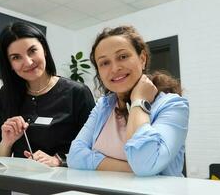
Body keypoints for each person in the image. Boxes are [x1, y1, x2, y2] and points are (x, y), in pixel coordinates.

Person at [67, 25, 189, 176]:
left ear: (142, 59)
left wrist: (139, 101)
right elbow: (75, 156)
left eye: (123, 57)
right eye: (105, 63)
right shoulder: (103, 106)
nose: (114, 68)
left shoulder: (173, 105)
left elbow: (145, 164)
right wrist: (132, 169)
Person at [0, 22, 95, 167]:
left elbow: (95, 148)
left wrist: (59, 160)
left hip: (64, 183)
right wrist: (6, 143)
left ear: (44, 49)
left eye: (32, 51)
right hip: (19, 182)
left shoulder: (77, 92)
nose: (28, 62)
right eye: (16, 57)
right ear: (9, 64)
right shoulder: (6, 94)